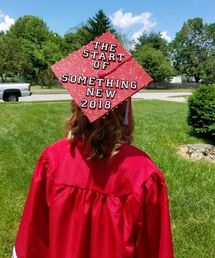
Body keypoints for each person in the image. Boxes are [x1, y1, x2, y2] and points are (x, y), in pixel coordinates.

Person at [13, 32, 174, 258]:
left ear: (77, 104)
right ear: (124, 109)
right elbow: (155, 250)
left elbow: (32, 242)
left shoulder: (53, 160)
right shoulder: (144, 173)